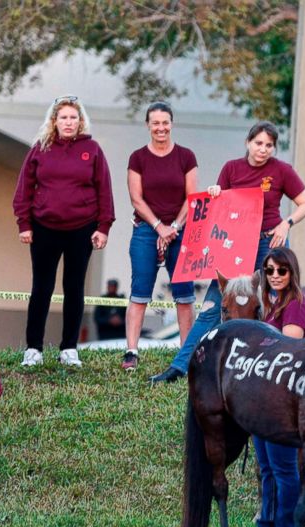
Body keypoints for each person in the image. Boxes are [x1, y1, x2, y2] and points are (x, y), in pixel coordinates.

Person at [149, 121, 305, 384]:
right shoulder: (231, 168)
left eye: (269, 145)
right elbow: (220, 207)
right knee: (213, 307)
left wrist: (286, 223)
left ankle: (267, 368)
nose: (263, 150)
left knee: (269, 306)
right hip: (234, 246)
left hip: (268, 244)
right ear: (248, 143)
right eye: (258, 143)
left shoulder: (282, 171)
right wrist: (216, 192)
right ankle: (179, 367)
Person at [12, 95, 114, 367]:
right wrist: (24, 223)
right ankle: (33, 349)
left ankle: (69, 348)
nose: (68, 122)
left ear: (80, 122)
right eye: (63, 117)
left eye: (73, 117)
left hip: (81, 228)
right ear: (54, 121)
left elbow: (104, 189)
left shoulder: (91, 149)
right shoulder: (40, 148)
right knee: (41, 288)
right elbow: (24, 188)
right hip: (44, 228)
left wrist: (103, 227)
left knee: (74, 287)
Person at [122, 102, 197, 371]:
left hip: (181, 228)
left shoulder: (186, 156)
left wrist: (174, 227)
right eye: (155, 123)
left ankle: (186, 353)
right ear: (148, 125)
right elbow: (136, 198)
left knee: (184, 294)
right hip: (146, 228)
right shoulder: (138, 157)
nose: (161, 128)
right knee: (140, 291)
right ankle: (131, 351)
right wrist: (158, 227)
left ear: (172, 124)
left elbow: (192, 198)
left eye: (165, 122)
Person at [252, 248, 305, 527]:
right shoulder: (271, 305)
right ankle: (266, 525)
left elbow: (287, 351)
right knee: (266, 468)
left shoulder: (296, 305)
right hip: (262, 399)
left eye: (281, 270)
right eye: (269, 270)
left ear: (292, 272)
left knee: (284, 469)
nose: (274, 276)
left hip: (283, 401)